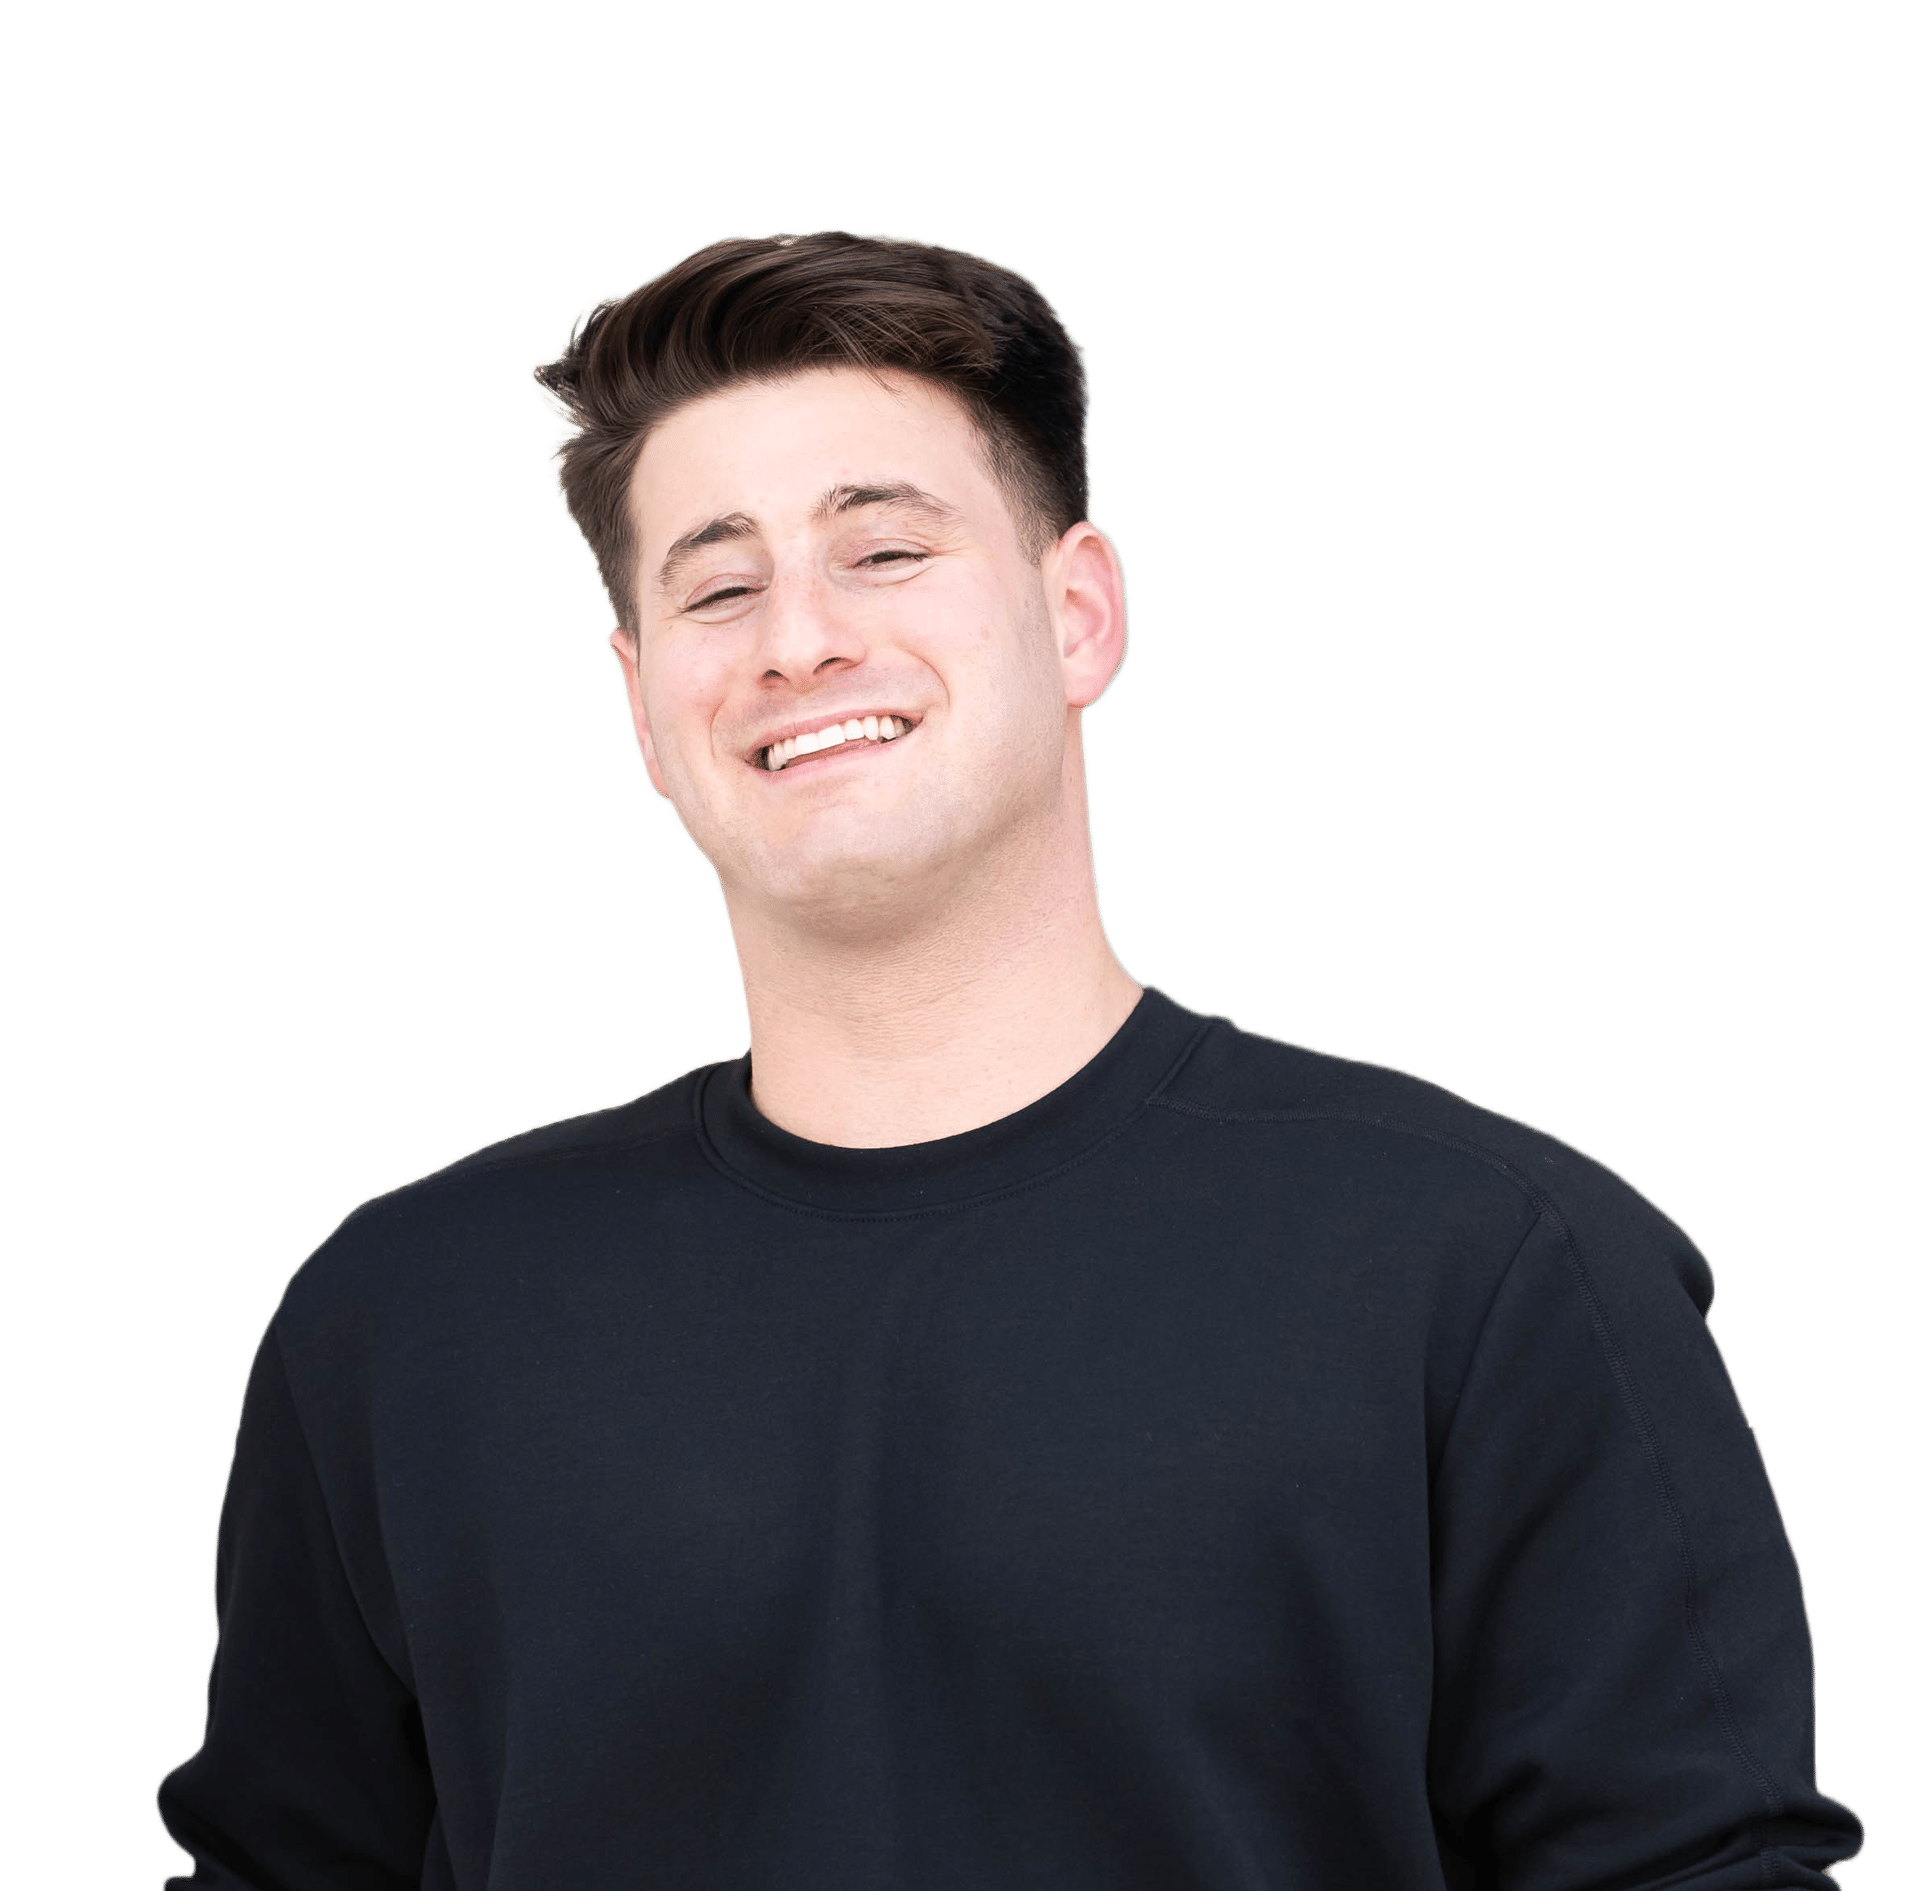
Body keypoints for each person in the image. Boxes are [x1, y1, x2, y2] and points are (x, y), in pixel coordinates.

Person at [156, 228, 1863, 1889]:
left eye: (884, 551)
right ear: (641, 702)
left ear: (1081, 612)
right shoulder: (407, 1314)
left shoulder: (1490, 1267)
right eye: (720, 586)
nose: (797, 639)